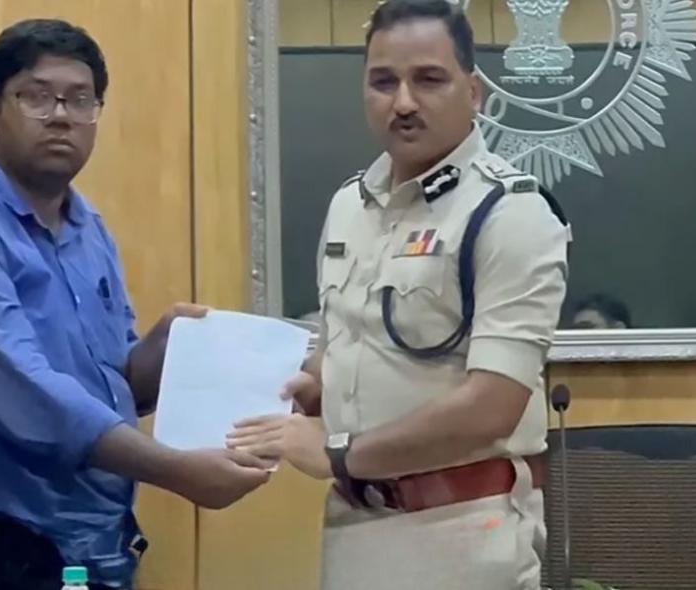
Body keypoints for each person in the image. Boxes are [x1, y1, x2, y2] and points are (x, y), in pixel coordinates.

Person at [0, 19, 270, 590]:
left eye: (80, 99)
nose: (62, 115)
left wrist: (165, 347)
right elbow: (29, 396)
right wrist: (176, 472)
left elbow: (116, 384)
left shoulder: (88, 226)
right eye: (37, 97)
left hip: (103, 543)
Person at [228, 1, 571, 589]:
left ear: (475, 92)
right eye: (383, 82)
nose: (403, 102)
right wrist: (313, 383)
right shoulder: (349, 206)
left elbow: (493, 405)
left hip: (465, 531)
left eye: (428, 79)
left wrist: (335, 452)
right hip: (353, 525)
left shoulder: (511, 213)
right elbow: (351, 347)